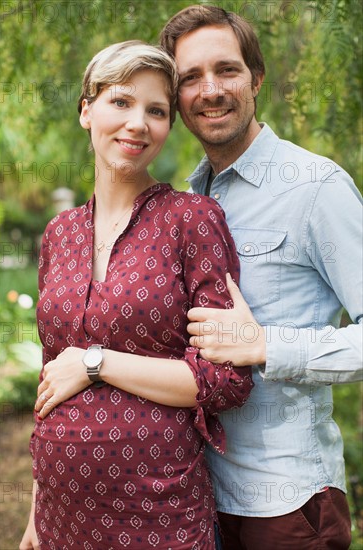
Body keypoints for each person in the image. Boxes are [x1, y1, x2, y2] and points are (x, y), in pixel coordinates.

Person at [19, 40, 254, 550]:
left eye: (156, 111)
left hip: (159, 516)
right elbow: (52, 377)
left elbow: (224, 381)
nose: (138, 124)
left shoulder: (191, 220)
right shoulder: (59, 234)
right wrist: (36, 509)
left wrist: (95, 361)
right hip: (60, 517)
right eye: (121, 102)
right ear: (87, 110)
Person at [160, 5, 362, 549]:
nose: (211, 90)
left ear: (256, 78)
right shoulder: (185, 201)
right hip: (197, 500)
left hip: (288, 506)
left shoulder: (315, 187)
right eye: (190, 78)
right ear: (177, 99)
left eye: (226, 70)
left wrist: (265, 345)